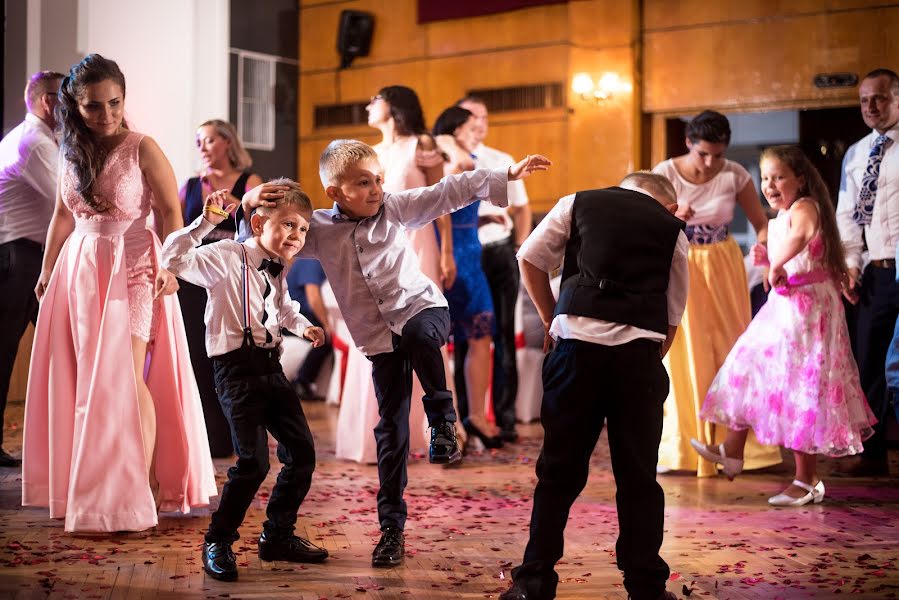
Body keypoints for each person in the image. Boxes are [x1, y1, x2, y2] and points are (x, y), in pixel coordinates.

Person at [243, 140, 550, 568]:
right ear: (334, 192)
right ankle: (391, 531)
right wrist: (249, 203)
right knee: (390, 432)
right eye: (363, 183)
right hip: (380, 340)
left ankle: (443, 421)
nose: (375, 189)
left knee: (421, 337)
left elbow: (448, 190)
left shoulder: (396, 208)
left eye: (378, 180)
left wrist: (506, 175)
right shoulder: (317, 230)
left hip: (424, 311)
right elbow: (261, 241)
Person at [22, 54, 216, 532]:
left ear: (123, 100)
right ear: (74, 104)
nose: (106, 114)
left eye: (114, 103)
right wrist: (47, 268)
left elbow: (171, 210)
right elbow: (62, 217)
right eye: (93, 106)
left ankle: (140, 487)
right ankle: (95, 484)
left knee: (128, 376)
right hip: (80, 268)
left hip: (134, 264)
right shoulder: (70, 148)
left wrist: (171, 265)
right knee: (92, 378)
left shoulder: (141, 147)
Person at [498, 172, 686, 600]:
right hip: (638, 359)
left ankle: (534, 582)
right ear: (671, 207)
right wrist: (642, 363)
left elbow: (528, 258)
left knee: (557, 473)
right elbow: (672, 317)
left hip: (576, 353)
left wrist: (552, 319)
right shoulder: (673, 230)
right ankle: (646, 588)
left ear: (620, 187)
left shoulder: (577, 201)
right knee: (638, 477)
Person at [162, 182, 329, 582]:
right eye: (289, 224)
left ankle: (278, 535)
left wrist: (305, 327)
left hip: (271, 367)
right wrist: (206, 223)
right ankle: (218, 539)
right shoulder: (225, 256)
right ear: (257, 223)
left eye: (303, 229)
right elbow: (174, 258)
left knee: (302, 453)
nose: (297, 235)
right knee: (253, 462)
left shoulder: (279, 267)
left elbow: (283, 308)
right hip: (235, 371)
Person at [694, 146, 876, 506]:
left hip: (808, 311)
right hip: (786, 306)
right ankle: (732, 448)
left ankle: (806, 480)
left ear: (800, 180)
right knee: (748, 365)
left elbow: (803, 235)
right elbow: (783, 252)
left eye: (778, 177)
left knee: (799, 388)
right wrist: (768, 263)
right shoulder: (780, 216)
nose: (770, 185)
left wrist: (779, 260)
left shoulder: (805, 207)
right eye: (765, 178)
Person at [652, 110, 782, 477]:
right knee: (684, 352)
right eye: (703, 154)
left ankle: (736, 447)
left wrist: (765, 248)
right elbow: (643, 222)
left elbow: (761, 224)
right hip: (679, 260)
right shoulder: (664, 173)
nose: (710, 163)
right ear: (689, 144)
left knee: (731, 349)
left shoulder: (734, 174)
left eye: (718, 155)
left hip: (723, 265)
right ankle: (684, 447)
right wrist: (675, 214)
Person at [335, 85, 451, 463]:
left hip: (418, 246)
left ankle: (435, 430)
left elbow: (440, 198)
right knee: (376, 330)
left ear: (394, 105)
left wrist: (447, 249)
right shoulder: (368, 154)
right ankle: (377, 434)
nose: (369, 104)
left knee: (418, 332)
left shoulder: (421, 144)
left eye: (375, 98)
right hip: (375, 249)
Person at [178, 119, 263, 457]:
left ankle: (241, 436)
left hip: (233, 278)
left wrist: (239, 204)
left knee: (233, 355)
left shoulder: (250, 182)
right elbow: (176, 231)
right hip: (193, 282)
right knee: (198, 356)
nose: (202, 146)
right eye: (199, 140)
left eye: (210, 140)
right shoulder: (188, 185)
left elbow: (265, 230)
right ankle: (208, 437)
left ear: (227, 143)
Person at [833, 68, 899, 478]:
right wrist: (851, 266)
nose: (870, 107)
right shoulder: (857, 153)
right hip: (876, 272)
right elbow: (848, 215)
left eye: (879, 98)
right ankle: (873, 455)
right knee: (869, 360)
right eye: (863, 100)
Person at [454, 95, 531, 443]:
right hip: (465, 254)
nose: (479, 123)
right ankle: (464, 418)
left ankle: (506, 416)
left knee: (502, 332)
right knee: (464, 338)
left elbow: (523, 210)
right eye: (472, 117)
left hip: (499, 252)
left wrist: (520, 249)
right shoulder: (449, 158)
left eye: (483, 117)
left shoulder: (502, 159)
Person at [0, 69, 63, 467]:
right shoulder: (36, 143)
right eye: (67, 98)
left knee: (60, 345)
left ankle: (62, 438)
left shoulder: (31, 138)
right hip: (18, 257)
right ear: (47, 101)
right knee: (5, 351)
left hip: (26, 255)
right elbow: (69, 200)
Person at [433, 105, 502, 450]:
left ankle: (477, 414)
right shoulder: (446, 156)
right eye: (471, 127)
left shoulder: (464, 155)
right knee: (441, 341)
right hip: (446, 252)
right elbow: (446, 196)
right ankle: (453, 420)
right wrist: (449, 143)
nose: (478, 132)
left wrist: (486, 222)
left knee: (480, 335)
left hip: (471, 251)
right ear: (453, 130)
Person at [286, 257, 332, 399]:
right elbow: (313, 297)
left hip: (297, 315)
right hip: (295, 318)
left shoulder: (312, 260)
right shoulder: (311, 261)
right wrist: (327, 325)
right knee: (324, 340)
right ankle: (301, 382)